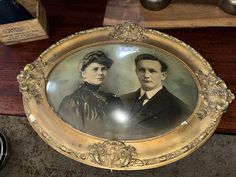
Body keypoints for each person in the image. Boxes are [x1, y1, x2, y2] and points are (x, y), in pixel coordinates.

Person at [121, 54, 191, 137]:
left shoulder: (179, 108)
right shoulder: (123, 99)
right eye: (142, 70)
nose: (146, 75)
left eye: (152, 71)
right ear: (136, 72)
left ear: (163, 75)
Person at [57, 51, 122, 137]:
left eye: (104, 69)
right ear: (84, 74)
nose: (100, 73)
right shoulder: (72, 101)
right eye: (95, 69)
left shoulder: (113, 99)